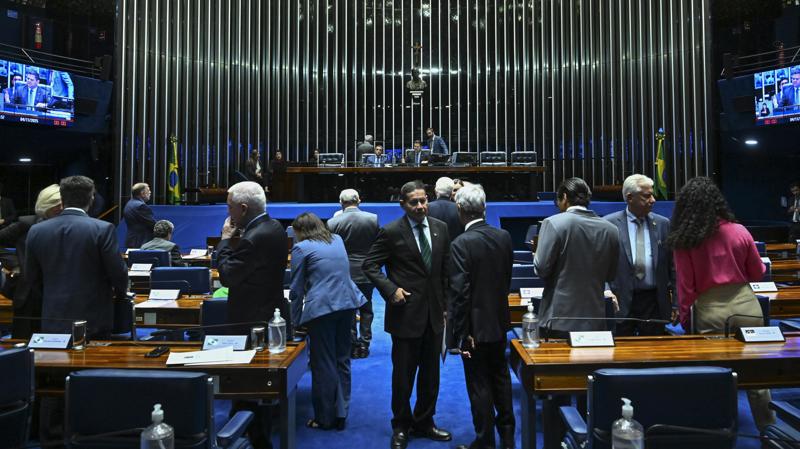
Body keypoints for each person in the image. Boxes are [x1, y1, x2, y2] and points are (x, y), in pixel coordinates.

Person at [667, 176, 775, 431]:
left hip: (710, 310)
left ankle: (718, 432)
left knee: (714, 373)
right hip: (747, 305)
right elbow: (758, 272)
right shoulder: (740, 230)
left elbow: (686, 287)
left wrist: (686, 319)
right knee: (757, 373)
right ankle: (769, 431)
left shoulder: (686, 239)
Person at [363, 180, 452, 449]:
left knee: (431, 375)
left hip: (434, 315)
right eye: (414, 202)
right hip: (405, 315)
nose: (421, 206)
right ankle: (401, 426)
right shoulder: (391, 231)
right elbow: (370, 265)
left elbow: (445, 270)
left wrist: (447, 305)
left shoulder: (440, 228)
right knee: (403, 377)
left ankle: (425, 422)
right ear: (402, 204)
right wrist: (391, 290)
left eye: (424, 200)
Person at [215, 181, 288, 449]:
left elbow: (227, 276)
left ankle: (255, 439)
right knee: (258, 387)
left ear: (243, 208)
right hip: (266, 311)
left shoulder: (254, 237)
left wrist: (225, 240)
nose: (228, 212)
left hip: (250, 320)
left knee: (248, 386)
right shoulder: (274, 226)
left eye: (230, 207)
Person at [447, 184, 515, 449]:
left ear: (460, 209)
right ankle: (508, 439)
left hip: (474, 329)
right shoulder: (504, 236)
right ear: (484, 207)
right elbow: (506, 280)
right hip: (499, 321)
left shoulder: (460, 243)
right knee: (501, 379)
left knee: (479, 385)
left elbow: (460, 293)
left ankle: (485, 440)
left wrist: (462, 333)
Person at [25, 176, 128, 338]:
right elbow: (118, 273)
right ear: (91, 198)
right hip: (94, 317)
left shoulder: (36, 230)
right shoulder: (102, 229)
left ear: (62, 198)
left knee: (55, 355)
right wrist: (121, 295)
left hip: (53, 315)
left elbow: (31, 277)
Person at [290, 212, 366, 431]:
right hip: (348, 303)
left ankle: (324, 418)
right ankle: (341, 412)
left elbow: (296, 289)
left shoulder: (301, 248)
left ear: (301, 231)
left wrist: (295, 321)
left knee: (323, 362)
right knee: (342, 359)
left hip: (322, 308)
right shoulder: (337, 239)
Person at [534, 177, 619, 338]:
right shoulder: (611, 229)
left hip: (558, 319)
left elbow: (541, 269)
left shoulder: (552, 223)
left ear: (565, 197)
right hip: (595, 319)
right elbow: (610, 275)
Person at [604, 174, 676, 336]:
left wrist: (676, 303)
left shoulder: (663, 224)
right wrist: (606, 291)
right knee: (622, 348)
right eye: (647, 196)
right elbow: (600, 264)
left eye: (652, 195)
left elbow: (673, 266)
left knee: (654, 348)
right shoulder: (609, 224)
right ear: (630, 197)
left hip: (654, 302)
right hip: (621, 300)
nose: (653, 200)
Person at [0, 184, 62, 339]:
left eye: (63, 204)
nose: (61, 208)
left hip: (58, 294)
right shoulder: (26, 223)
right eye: (57, 204)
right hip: (29, 294)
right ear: (46, 205)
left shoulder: (68, 225)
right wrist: (16, 263)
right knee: (24, 341)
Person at [327, 189, 379, 358]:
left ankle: (351, 344)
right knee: (366, 308)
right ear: (359, 200)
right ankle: (364, 344)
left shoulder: (332, 222)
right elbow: (377, 245)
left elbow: (332, 250)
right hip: (367, 270)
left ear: (341, 203)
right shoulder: (372, 219)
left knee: (348, 309)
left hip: (344, 271)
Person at [427, 177, 464, 241]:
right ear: (451, 191)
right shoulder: (460, 208)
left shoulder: (427, 207)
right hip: (455, 245)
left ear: (435, 191)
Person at [123, 182, 156, 248]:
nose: (150, 192)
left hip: (132, 240)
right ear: (142, 193)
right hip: (141, 242)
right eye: (148, 190)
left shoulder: (129, 203)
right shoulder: (141, 206)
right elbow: (152, 224)